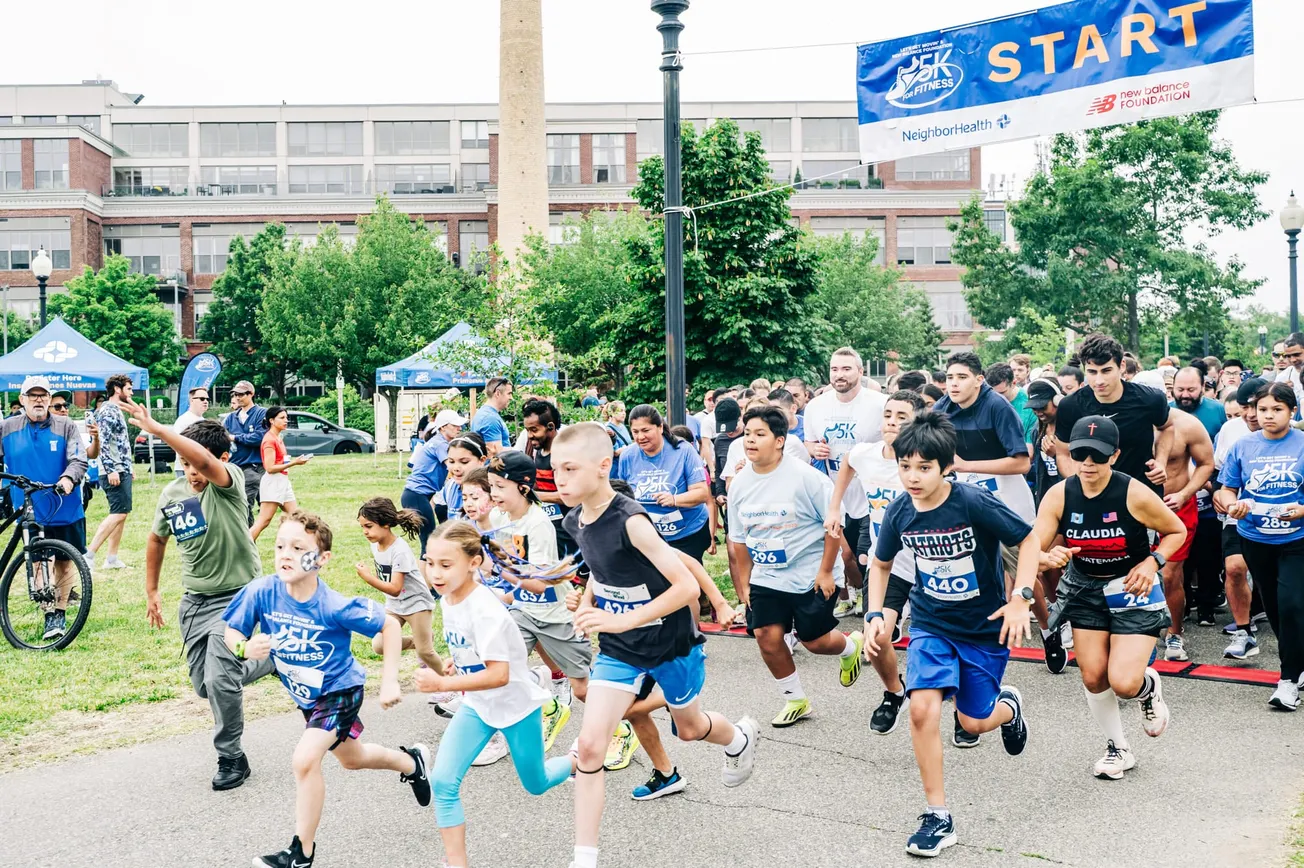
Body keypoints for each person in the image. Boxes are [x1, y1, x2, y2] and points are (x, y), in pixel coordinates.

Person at [554, 423, 758, 868]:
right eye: (556, 470)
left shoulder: (631, 520)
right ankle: (583, 858)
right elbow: (599, 571)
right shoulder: (574, 519)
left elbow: (685, 586)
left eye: (570, 468)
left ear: (603, 466)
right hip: (619, 648)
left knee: (689, 728)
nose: (561, 479)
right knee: (590, 747)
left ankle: (739, 736)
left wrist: (620, 616)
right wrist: (585, 602)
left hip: (671, 644)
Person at [864, 413, 1037, 858]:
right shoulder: (900, 510)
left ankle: (1009, 707)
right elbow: (881, 565)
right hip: (931, 624)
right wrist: (875, 616)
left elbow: (1031, 539)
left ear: (946, 467)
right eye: (906, 466)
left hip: (982, 629)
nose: (913, 477)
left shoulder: (972, 502)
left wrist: (1021, 597)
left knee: (973, 721)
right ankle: (937, 816)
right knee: (922, 709)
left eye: (924, 467)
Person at [222, 511, 431, 868]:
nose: (285, 554)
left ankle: (300, 855)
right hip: (310, 698)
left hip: (341, 691)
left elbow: (391, 626)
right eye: (280, 545)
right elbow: (232, 634)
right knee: (353, 759)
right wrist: (245, 648)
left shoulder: (335, 606)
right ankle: (412, 762)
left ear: (322, 559)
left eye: (298, 547)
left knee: (304, 761)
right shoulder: (261, 591)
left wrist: (391, 679)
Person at [414, 521, 573, 868]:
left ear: (473, 563)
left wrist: (443, 685)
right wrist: (459, 664)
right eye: (430, 562)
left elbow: (499, 675)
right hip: (478, 705)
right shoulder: (450, 597)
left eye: (445, 564)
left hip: (515, 706)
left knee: (536, 783)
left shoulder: (484, 609)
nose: (435, 573)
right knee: (442, 782)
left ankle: (579, 761)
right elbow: (474, 652)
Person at [129, 402, 271, 790]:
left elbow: (205, 462)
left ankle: (231, 757)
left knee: (223, 679)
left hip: (238, 597)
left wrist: (158, 428)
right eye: (184, 463)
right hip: (195, 602)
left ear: (221, 459)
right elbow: (157, 538)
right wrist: (152, 590)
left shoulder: (230, 481)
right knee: (206, 685)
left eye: (196, 464)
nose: (191, 472)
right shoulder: (173, 492)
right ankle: (272, 658)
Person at [1036, 415, 1184, 780]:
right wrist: (1044, 557)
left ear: (1114, 455)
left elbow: (1175, 530)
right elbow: (1032, 548)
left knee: (1124, 682)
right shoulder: (1060, 494)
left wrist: (1153, 563)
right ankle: (1118, 748)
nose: (1088, 463)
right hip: (1085, 588)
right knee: (1093, 677)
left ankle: (1147, 688)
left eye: (1097, 456)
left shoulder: (1133, 492)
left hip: (1132, 586)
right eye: (1081, 454)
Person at [728, 406, 863, 727]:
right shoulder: (739, 485)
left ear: (779, 441)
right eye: (747, 434)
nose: (750, 440)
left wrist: (827, 571)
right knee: (766, 635)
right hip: (767, 577)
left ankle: (849, 646)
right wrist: (745, 586)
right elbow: (739, 542)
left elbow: (833, 526)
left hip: (811, 575)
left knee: (815, 641)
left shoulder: (806, 478)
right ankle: (796, 699)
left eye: (759, 434)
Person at [828, 389, 925, 735]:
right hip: (889, 563)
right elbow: (847, 465)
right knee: (877, 636)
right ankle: (894, 692)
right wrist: (835, 506)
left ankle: (963, 712)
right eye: (888, 415)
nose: (893, 422)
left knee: (944, 641)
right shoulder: (865, 454)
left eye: (902, 416)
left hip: (930, 560)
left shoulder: (926, 461)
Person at [487, 449, 593, 757]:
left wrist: (495, 568)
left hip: (556, 615)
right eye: (491, 486)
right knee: (501, 669)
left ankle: (620, 728)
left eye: (499, 487)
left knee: (583, 687)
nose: (494, 494)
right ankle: (540, 714)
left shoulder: (538, 526)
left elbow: (537, 584)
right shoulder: (499, 516)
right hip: (522, 612)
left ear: (522, 486)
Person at [1216, 382, 1304, 710]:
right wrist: (1232, 504)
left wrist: (1302, 510)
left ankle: (1287, 681)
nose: (1267, 416)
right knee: (1278, 609)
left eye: (1276, 409)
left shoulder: (1302, 444)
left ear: (1292, 412)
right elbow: (1227, 489)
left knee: (1293, 604)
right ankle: (1298, 662)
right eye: (1262, 409)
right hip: (1255, 538)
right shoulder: (1244, 445)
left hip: (1296, 539)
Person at [0, 377, 87, 640]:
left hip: (65, 504)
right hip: (29, 507)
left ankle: (61, 609)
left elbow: (78, 458)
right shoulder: (7, 427)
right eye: (32, 395)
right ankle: (49, 614)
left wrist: (68, 478)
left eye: (43, 395)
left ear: (49, 399)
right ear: (22, 399)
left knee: (64, 561)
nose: (39, 400)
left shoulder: (66, 425)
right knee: (38, 561)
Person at [804, 347, 888, 612]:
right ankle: (854, 594)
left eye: (846, 369)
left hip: (871, 490)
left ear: (860, 372)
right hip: (835, 492)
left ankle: (872, 601)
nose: (839, 375)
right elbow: (809, 442)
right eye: (834, 369)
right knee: (844, 553)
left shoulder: (879, 402)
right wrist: (814, 449)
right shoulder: (816, 406)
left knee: (865, 554)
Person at [1054, 334, 1173, 496]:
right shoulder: (1070, 405)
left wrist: (1160, 461)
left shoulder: (1150, 399)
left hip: (1141, 492)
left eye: (1106, 370)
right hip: (1092, 496)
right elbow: (1062, 453)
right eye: (1092, 372)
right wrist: (1080, 485)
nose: (1099, 380)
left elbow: (1167, 427)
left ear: (1122, 365)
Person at [1215, 377, 1270, 655]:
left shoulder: (1292, 435)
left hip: (1283, 521)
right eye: (1244, 407)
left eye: (1256, 407)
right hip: (1238, 517)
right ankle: (1244, 632)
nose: (1250, 414)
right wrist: (1218, 492)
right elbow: (1219, 472)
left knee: (1277, 582)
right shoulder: (1230, 430)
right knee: (1235, 568)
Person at [615, 404, 712, 562]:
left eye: (646, 430)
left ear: (660, 427)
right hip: (650, 534)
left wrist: (674, 500)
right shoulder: (628, 456)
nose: (640, 437)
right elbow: (624, 494)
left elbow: (702, 493)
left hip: (688, 532)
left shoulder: (683, 450)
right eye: (635, 432)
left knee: (689, 581)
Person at [354, 497, 438, 670]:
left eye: (368, 526)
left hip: (416, 605)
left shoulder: (400, 550)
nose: (365, 532)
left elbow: (395, 589)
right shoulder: (376, 545)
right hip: (394, 606)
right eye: (362, 527)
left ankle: (448, 684)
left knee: (426, 653)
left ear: (385, 524)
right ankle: (420, 641)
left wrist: (368, 578)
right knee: (379, 645)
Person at [1157, 408, 1214, 661]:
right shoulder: (1126, 420)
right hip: (1135, 504)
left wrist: (1184, 494)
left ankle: (1175, 633)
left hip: (1176, 506)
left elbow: (1206, 464)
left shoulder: (1188, 424)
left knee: (1169, 574)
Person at [87, 373, 134, 570]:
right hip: (112, 470)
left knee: (121, 512)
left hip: (122, 468)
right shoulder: (107, 411)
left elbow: (120, 444)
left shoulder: (116, 410)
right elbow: (103, 442)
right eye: (129, 389)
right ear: (117, 389)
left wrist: (129, 468)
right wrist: (111, 469)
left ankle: (112, 558)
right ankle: (88, 555)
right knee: (119, 513)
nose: (131, 393)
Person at [405, 409, 466, 547]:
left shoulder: (437, 441)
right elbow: (453, 468)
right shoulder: (441, 445)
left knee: (428, 542)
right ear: (443, 427)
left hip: (414, 495)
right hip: (417, 495)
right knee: (429, 543)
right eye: (454, 425)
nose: (459, 428)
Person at [250, 407, 311, 543]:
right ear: (271, 420)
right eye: (282, 418)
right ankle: (240, 549)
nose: (286, 421)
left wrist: (294, 461)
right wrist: (294, 463)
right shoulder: (269, 440)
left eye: (286, 417)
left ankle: (300, 546)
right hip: (274, 482)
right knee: (263, 522)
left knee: (297, 518)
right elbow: (270, 468)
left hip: (283, 481)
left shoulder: (278, 437)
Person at [222, 381, 268, 524]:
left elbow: (260, 437)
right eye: (236, 394)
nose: (238, 397)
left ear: (251, 394)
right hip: (234, 467)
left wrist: (236, 437)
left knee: (245, 506)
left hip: (253, 467)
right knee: (238, 507)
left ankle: (247, 540)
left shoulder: (261, 413)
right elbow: (223, 437)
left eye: (241, 394)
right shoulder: (230, 418)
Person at [49, 390, 100, 511]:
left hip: (74, 496)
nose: (63, 409)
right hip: (49, 495)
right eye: (57, 407)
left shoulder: (73, 430)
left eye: (65, 405)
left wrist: (96, 438)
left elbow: (91, 454)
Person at [439, 433, 488, 522]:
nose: (456, 468)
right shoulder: (450, 487)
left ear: (482, 460)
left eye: (464, 462)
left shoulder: (491, 490)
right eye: (451, 461)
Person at [1172, 367, 1226, 445]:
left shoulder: (1219, 410)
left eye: (1191, 390)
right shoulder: (1165, 411)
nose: (1185, 395)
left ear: (1203, 386)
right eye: (1180, 390)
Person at [985, 362, 1037, 436]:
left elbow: (1028, 445)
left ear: (1014, 383)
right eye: (992, 393)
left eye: (1001, 393)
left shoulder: (1029, 406)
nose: (996, 398)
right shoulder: (983, 401)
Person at [471, 377, 513, 458]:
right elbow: (495, 453)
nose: (511, 397)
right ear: (497, 393)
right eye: (509, 393)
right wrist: (519, 449)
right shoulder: (490, 418)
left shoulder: (485, 413)